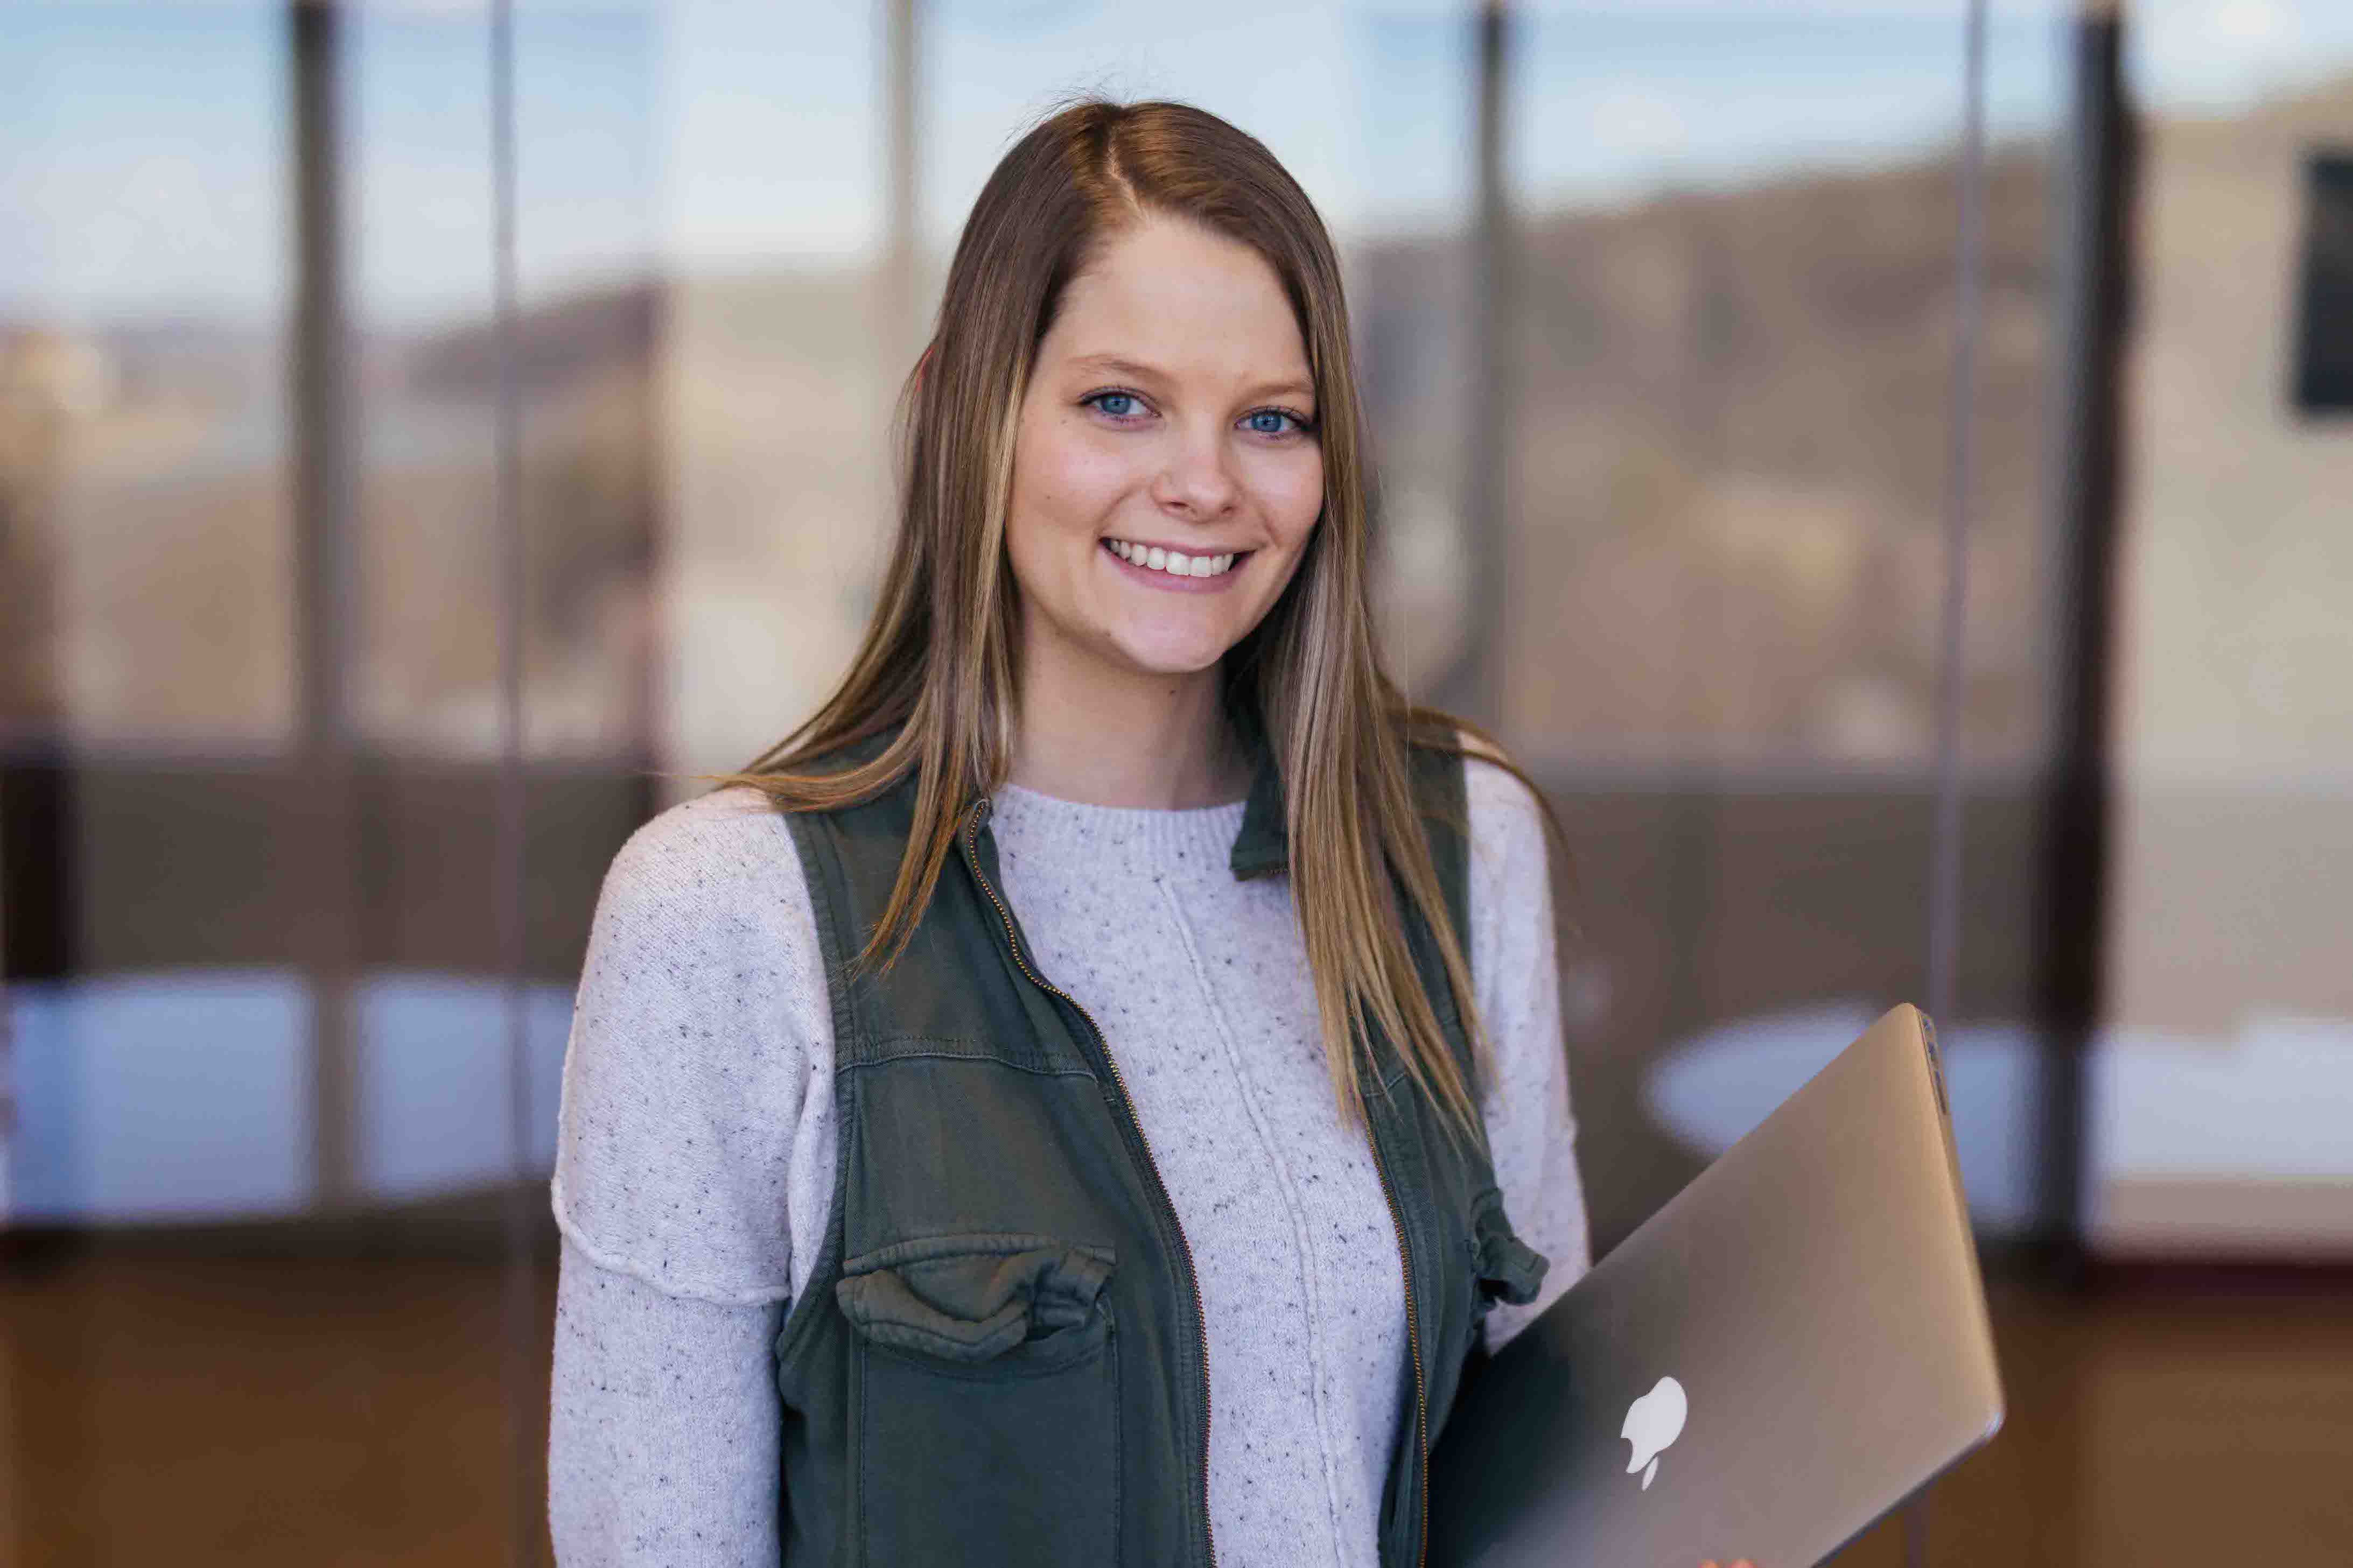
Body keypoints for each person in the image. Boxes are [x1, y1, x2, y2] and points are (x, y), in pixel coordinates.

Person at [546, 95, 1750, 1568]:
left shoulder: (1452, 845)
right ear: (969, 415)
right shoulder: (725, 919)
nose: (1204, 482)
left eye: (1271, 418)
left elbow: (1541, 1444)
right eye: (1119, 400)